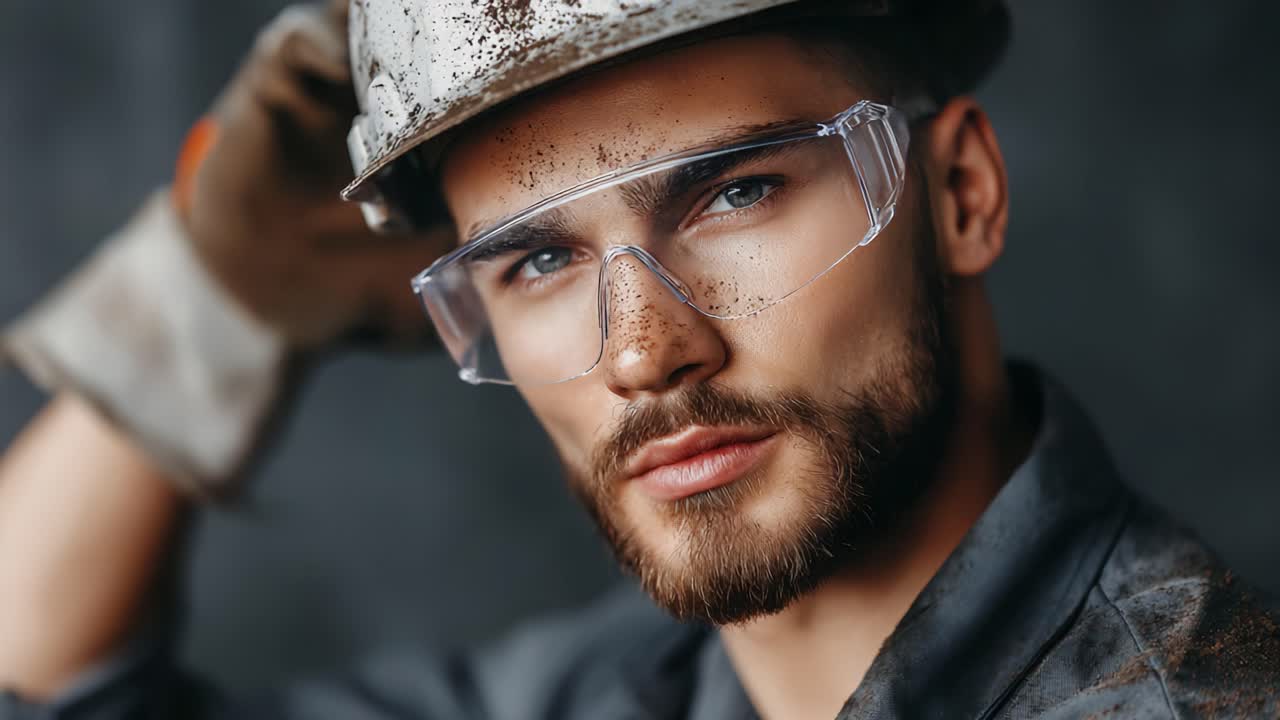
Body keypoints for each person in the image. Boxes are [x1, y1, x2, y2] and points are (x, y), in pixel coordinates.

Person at [1, 1, 1277, 718]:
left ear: (957, 192)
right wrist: (210, 287)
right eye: (539, 263)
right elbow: (50, 671)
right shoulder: (624, 692)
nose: (642, 353)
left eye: (736, 195)